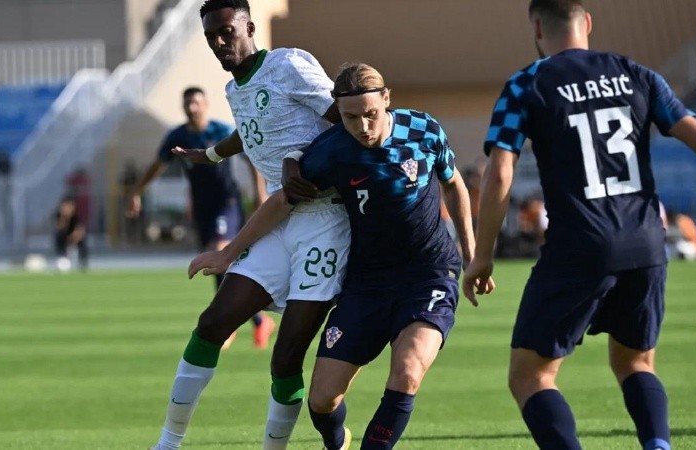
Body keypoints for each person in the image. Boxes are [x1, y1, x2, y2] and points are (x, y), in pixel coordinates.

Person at [189, 63, 493, 450]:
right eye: (350, 118)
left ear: (387, 100)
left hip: (429, 275)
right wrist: (229, 254)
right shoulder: (333, 151)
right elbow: (283, 201)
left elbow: (454, 184)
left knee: (407, 370)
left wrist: (471, 256)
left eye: (371, 114)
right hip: (366, 284)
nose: (363, 127)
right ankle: (336, 442)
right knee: (321, 400)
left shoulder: (424, 129)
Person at [462, 1, 696, 449]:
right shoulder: (636, 73)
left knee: (531, 375)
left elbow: (500, 172)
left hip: (578, 244)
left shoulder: (528, 82)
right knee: (636, 363)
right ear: (588, 24)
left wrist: (482, 256)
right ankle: (658, 444)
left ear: (537, 28)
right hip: (645, 242)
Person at [149, 1, 348, 449]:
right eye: (211, 38)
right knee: (212, 323)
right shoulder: (235, 89)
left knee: (285, 359)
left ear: (250, 27)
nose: (220, 43)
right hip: (280, 222)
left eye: (227, 32)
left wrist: (305, 163)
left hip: (327, 223)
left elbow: (348, 117)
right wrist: (210, 155)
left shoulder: (288, 64)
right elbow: (250, 127)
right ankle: (167, 443)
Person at [126, 86, 275, 350]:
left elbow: (250, 159)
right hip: (202, 208)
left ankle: (225, 321)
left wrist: (260, 193)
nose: (192, 108)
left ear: (205, 105)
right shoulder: (177, 136)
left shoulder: (219, 131)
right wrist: (137, 192)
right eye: (187, 104)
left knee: (219, 252)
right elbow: (157, 166)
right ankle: (258, 321)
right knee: (215, 263)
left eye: (196, 103)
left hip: (226, 203)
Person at [54, 195, 88, 271]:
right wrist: (64, 217)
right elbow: (59, 228)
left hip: (74, 235)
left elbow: (81, 229)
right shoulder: (59, 214)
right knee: (59, 237)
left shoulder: (77, 214)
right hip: (64, 235)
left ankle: (82, 263)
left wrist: (76, 236)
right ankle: (62, 258)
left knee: (82, 242)